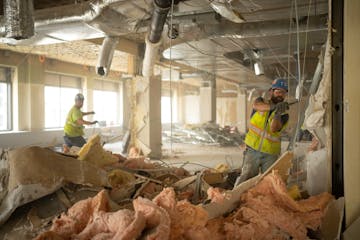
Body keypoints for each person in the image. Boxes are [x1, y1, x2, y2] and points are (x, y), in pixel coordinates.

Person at [235, 78, 290, 185]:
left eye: (283, 92)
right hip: (252, 150)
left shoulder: (285, 115)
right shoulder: (261, 101)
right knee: (245, 179)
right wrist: (274, 107)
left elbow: (274, 128)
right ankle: (233, 199)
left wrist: (278, 112)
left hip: (270, 154)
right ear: (271, 92)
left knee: (269, 183)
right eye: (278, 91)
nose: (280, 95)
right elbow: (257, 106)